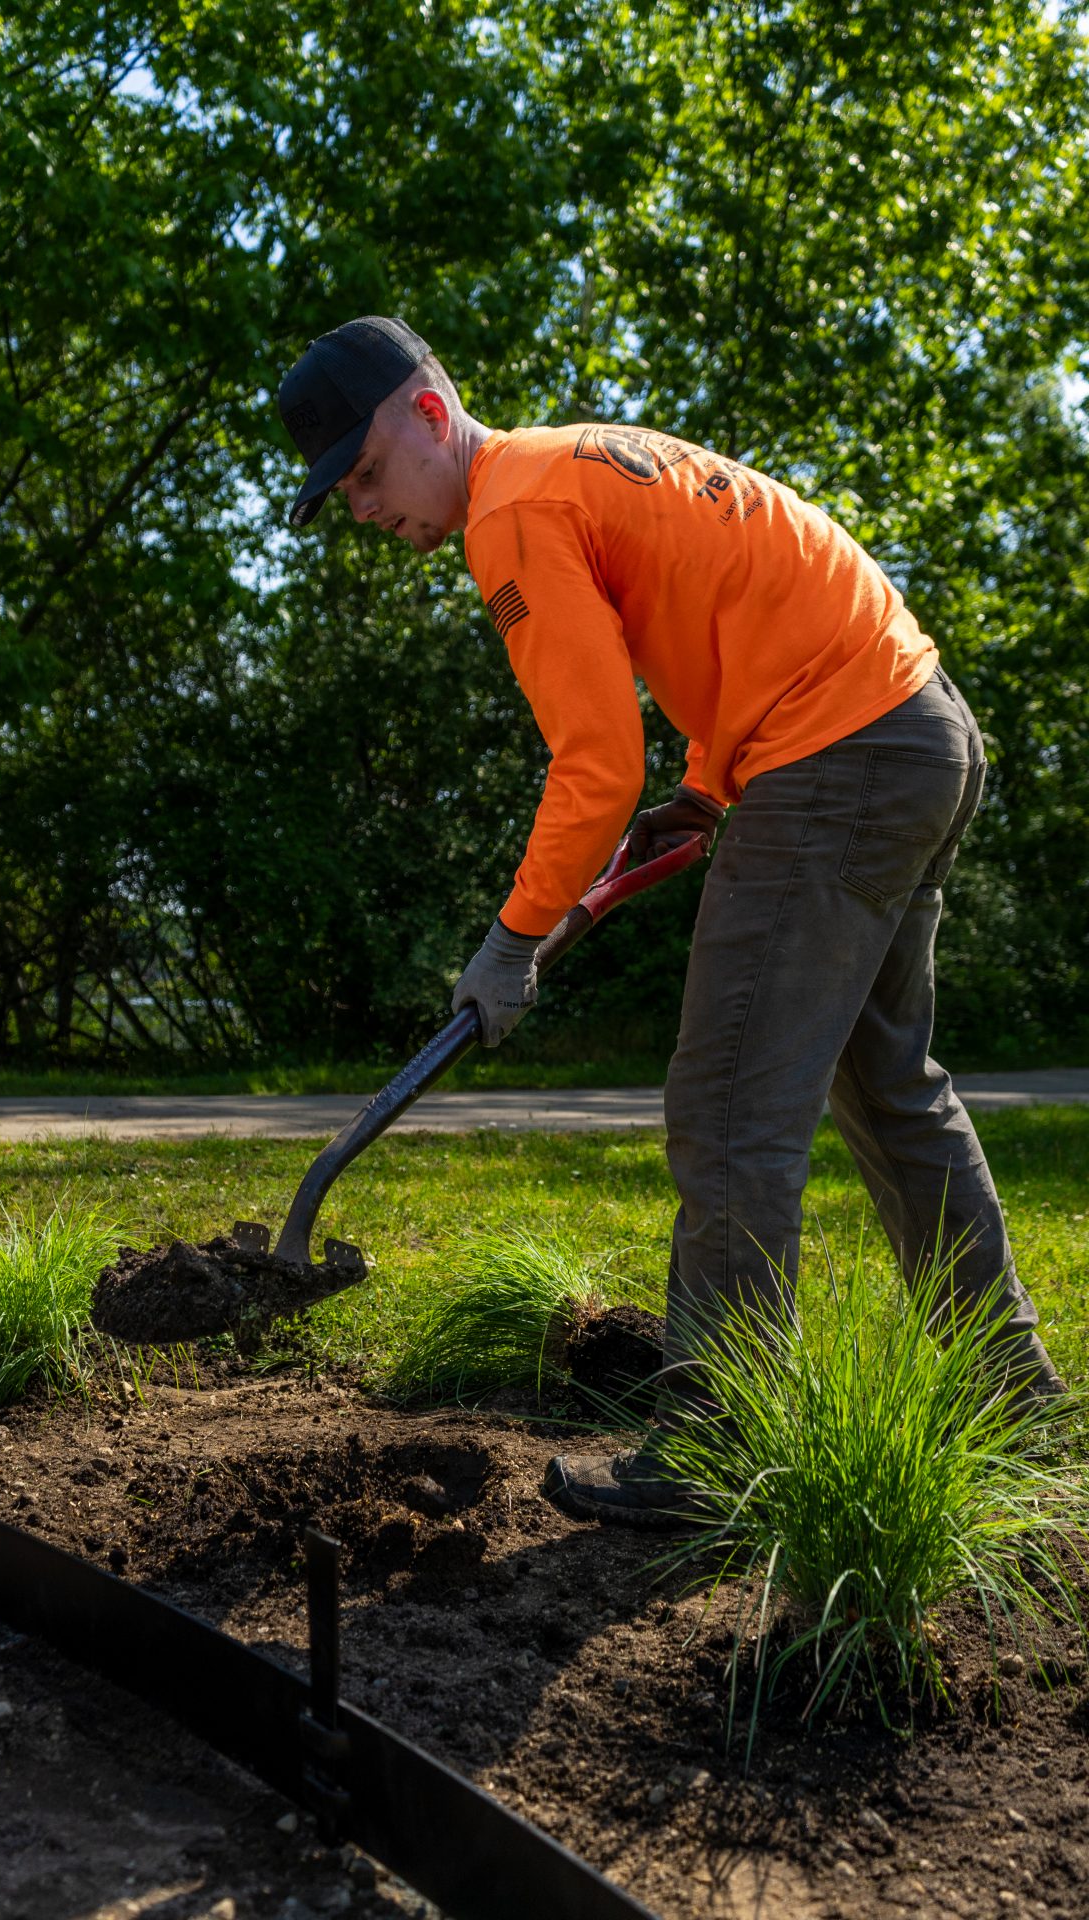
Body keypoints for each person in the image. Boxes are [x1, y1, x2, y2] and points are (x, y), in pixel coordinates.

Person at [277, 315, 1067, 1528]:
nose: (363, 510)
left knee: (730, 1103)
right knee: (889, 1085)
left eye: (367, 473)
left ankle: (717, 1441)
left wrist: (510, 943)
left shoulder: (510, 514)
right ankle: (1011, 1397)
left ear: (430, 413)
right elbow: (731, 607)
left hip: (834, 754)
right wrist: (704, 784)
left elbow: (593, 763)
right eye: (341, 495)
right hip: (911, 723)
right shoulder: (568, 463)